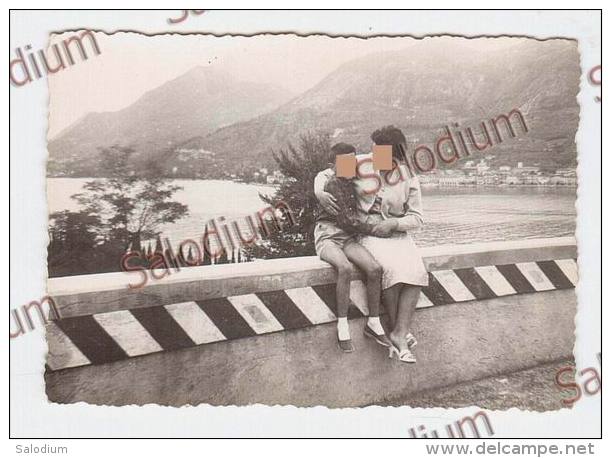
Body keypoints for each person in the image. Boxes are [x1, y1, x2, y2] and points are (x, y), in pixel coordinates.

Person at [315, 127, 428, 363]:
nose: (373, 155)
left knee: (417, 270)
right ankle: (400, 334)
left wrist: (395, 224)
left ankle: (399, 331)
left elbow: (417, 217)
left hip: (395, 232)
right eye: (374, 149)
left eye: (380, 151)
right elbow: (326, 173)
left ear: (394, 154)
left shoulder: (408, 177)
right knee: (391, 270)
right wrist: (319, 194)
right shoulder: (364, 164)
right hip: (367, 231)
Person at [313, 142, 393, 353]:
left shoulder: (353, 177)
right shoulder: (332, 184)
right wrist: (376, 229)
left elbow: (379, 160)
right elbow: (348, 220)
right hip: (327, 235)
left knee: (375, 269)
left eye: (352, 160)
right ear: (334, 165)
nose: (350, 165)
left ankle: (373, 322)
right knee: (345, 268)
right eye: (344, 162)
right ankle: (342, 324)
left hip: (346, 237)